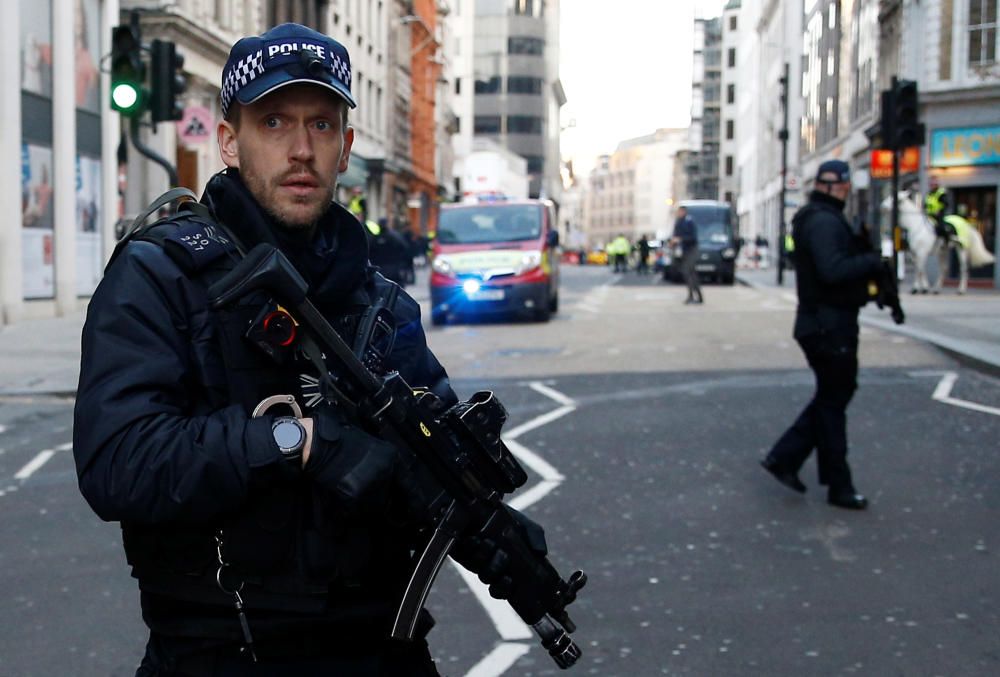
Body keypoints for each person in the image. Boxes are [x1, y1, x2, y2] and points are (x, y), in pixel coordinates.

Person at [73, 24, 532, 675]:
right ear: (230, 141)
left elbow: (431, 450)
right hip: (222, 648)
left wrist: (487, 527)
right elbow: (119, 462)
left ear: (346, 147)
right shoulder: (158, 275)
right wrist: (299, 442)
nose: (300, 148)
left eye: (321, 125)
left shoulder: (379, 301)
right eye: (275, 121)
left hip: (381, 647)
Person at [760, 160, 881, 510]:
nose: (846, 192)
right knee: (834, 399)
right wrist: (871, 262)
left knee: (834, 396)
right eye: (843, 187)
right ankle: (836, 485)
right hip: (828, 325)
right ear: (831, 186)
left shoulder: (819, 218)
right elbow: (832, 270)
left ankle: (788, 459)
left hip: (824, 323)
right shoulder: (824, 221)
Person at [670, 206, 702, 304]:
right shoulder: (678, 222)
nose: (678, 213)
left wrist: (680, 239)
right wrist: (673, 242)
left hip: (691, 250)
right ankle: (697, 296)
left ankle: (693, 296)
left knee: (688, 272)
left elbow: (693, 237)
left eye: (680, 212)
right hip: (683, 250)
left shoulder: (689, 221)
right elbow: (675, 235)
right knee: (690, 273)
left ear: (684, 212)